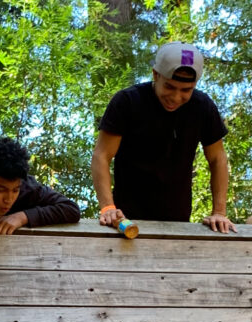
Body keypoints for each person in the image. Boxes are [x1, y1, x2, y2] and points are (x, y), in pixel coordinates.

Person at [92, 43, 236, 233]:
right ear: (155, 74)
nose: (176, 97)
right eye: (170, 86)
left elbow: (218, 158)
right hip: (125, 222)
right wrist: (108, 208)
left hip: (177, 222)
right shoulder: (127, 102)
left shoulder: (202, 107)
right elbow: (101, 155)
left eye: (186, 90)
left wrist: (219, 212)